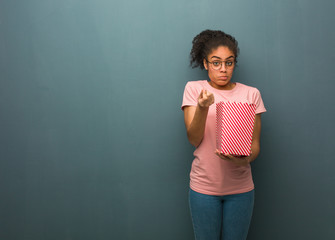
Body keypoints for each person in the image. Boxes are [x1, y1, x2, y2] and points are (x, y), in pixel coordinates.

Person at [181, 30, 266, 240]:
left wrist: (242, 160)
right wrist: (202, 107)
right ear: (206, 63)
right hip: (203, 188)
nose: (223, 69)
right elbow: (194, 139)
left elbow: (255, 146)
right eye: (216, 62)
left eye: (229, 63)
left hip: (241, 188)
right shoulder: (195, 90)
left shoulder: (251, 93)